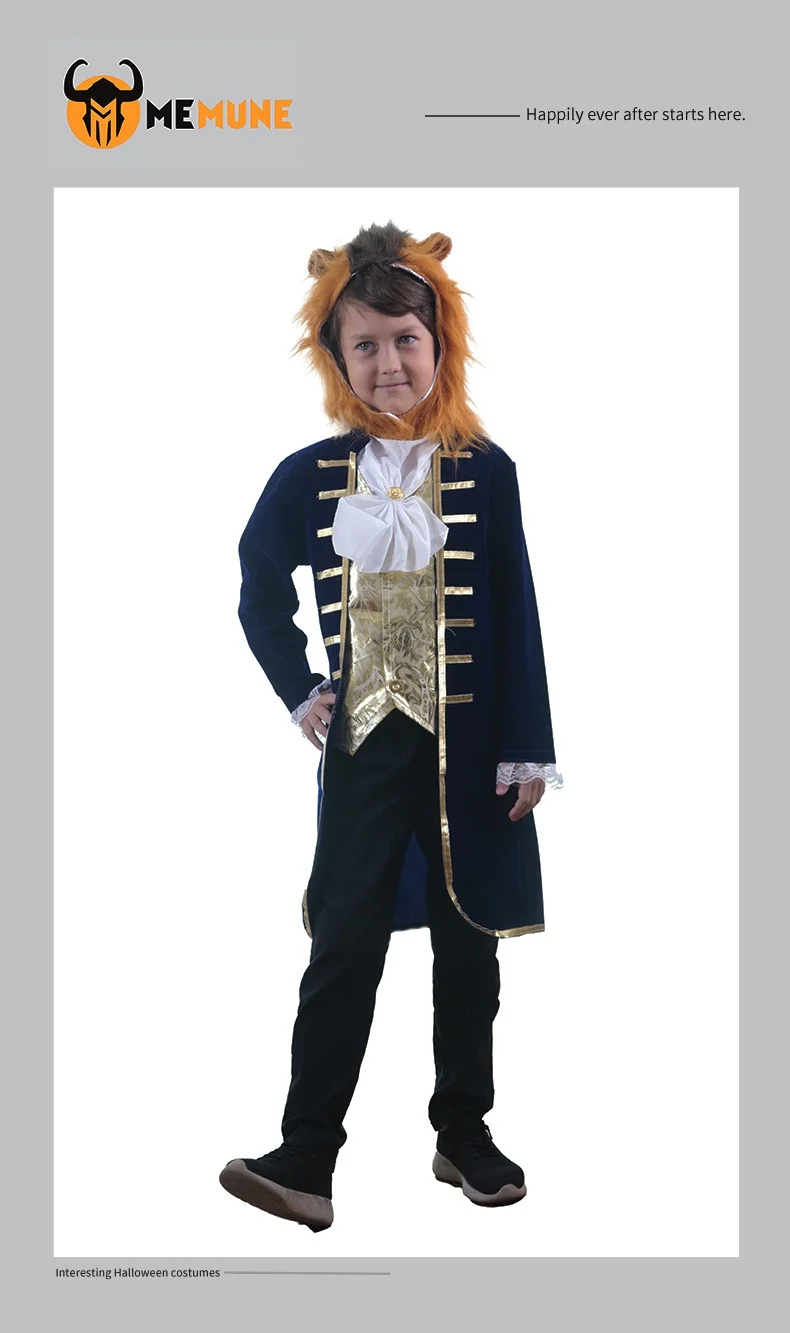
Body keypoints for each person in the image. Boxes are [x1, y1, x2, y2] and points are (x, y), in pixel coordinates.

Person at [219, 221, 562, 1233]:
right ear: (336, 357)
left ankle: (464, 1132)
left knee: (470, 947)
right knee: (343, 945)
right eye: (363, 344)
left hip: (474, 753)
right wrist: (301, 689)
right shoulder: (311, 475)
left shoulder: (486, 470)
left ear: (439, 341)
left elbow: (517, 612)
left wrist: (529, 747)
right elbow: (256, 586)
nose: (388, 362)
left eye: (405, 339)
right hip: (365, 747)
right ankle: (305, 1155)